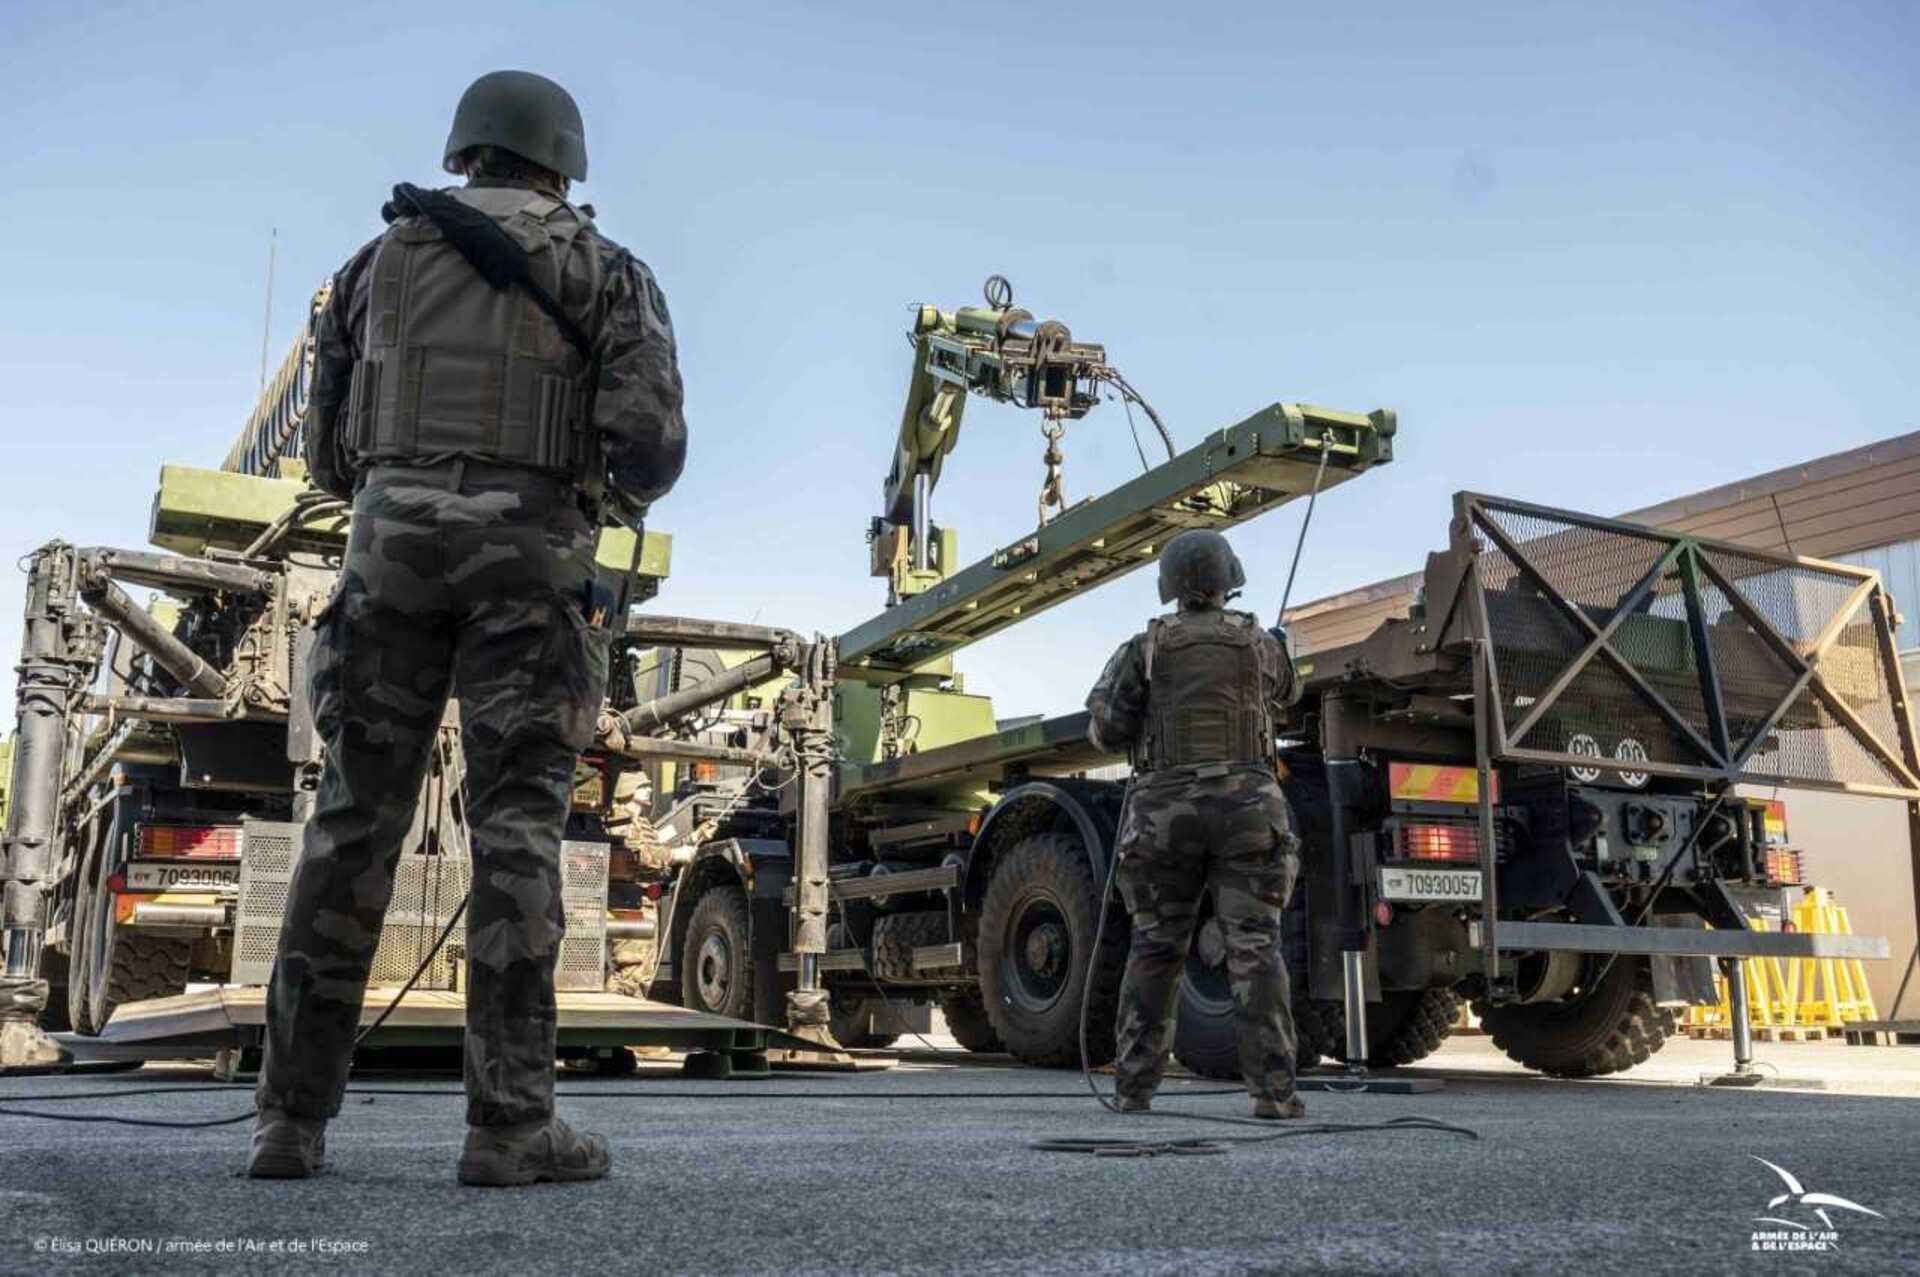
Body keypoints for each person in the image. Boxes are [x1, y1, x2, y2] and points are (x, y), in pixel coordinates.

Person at [249, 69, 687, 1185]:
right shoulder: (602, 270)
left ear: (465, 153)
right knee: (517, 832)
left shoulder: (372, 264)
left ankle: (289, 1122)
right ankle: (508, 1127)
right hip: (530, 562)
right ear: (562, 159)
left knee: (350, 824)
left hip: (389, 550)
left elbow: (331, 454)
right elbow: (652, 450)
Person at [1083, 529, 1304, 1120]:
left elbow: (1104, 728)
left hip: (1164, 813)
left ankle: (1133, 1091)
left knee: (1155, 949)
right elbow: (1291, 692)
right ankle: (1274, 1095)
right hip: (1248, 808)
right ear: (1229, 580)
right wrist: (1278, 647)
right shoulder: (1259, 643)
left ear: (1170, 588)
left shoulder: (1145, 648)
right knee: (1256, 949)